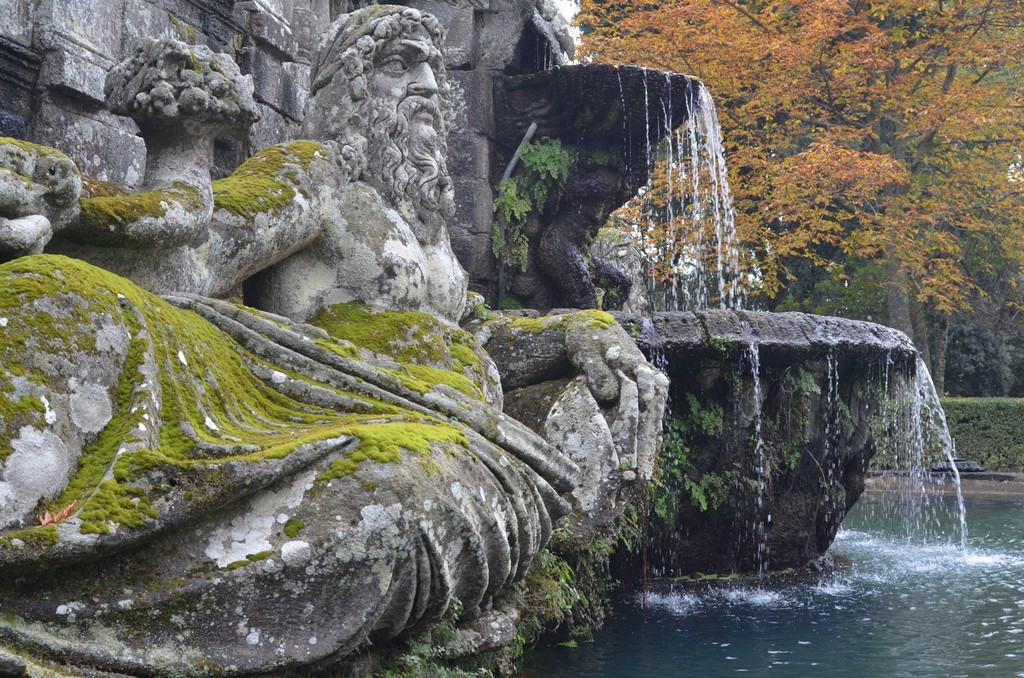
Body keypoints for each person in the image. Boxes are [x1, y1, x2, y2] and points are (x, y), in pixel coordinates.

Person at [0, 7, 666, 674]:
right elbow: (199, 254)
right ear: (347, 89)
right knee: (387, 499)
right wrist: (73, 207)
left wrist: (578, 326)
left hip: (430, 424)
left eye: (434, 66)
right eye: (401, 64)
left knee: (409, 499)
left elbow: (470, 332)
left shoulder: (431, 234)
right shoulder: (317, 173)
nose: (430, 85)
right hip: (284, 400)